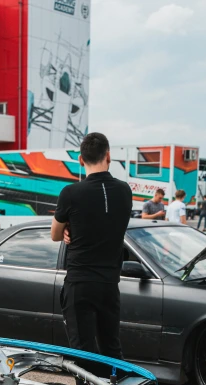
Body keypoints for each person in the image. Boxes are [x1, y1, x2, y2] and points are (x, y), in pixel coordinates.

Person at [51, 131, 132, 361]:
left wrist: (68, 227)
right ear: (108, 156)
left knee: (83, 354)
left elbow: (55, 235)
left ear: (80, 159)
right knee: (112, 351)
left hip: (80, 284)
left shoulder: (70, 193)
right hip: (109, 285)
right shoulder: (125, 190)